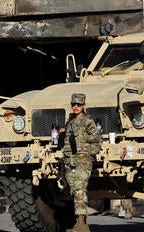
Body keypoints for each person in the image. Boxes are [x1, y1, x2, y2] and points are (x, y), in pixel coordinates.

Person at [60, 93, 101, 232]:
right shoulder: (70, 121)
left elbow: (96, 142)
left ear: (84, 106)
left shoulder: (87, 121)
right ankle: (80, 223)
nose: (76, 107)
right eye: (73, 104)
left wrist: (85, 152)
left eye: (78, 104)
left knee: (79, 190)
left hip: (82, 162)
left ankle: (82, 225)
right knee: (74, 191)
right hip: (69, 161)